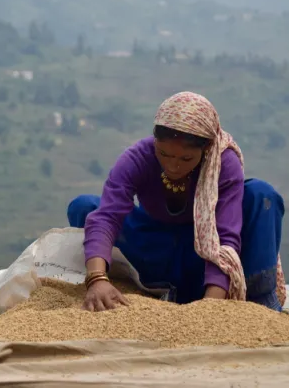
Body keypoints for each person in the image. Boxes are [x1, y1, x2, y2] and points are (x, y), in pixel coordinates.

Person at [67, 91, 286, 312]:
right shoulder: (138, 157)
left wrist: (210, 309)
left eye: (186, 159)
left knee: (261, 194)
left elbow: (224, 239)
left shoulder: (223, 162)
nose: (173, 166)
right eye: (164, 154)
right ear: (155, 142)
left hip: (200, 256)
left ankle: (260, 304)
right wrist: (97, 279)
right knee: (85, 207)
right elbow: (108, 216)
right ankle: (121, 288)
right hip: (153, 249)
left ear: (206, 148)